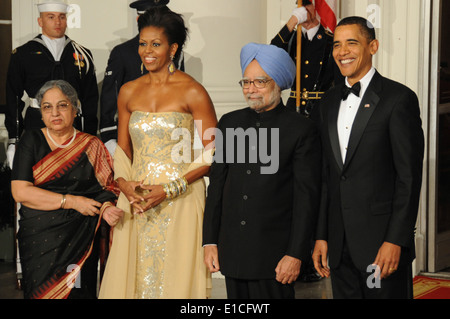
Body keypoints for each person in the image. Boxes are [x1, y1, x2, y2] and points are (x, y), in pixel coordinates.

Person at [99, 7, 217, 299]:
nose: (146, 51)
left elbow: (216, 151)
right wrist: (125, 186)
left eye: (156, 44)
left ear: (173, 48)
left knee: (174, 282)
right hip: (137, 200)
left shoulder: (193, 91)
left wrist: (170, 188)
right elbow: (124, 149)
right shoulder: (128, 91)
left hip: (181, 198)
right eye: (142, 43)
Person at [312, 17, 424, 299]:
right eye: (336, 44)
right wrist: (322, 235)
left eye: (352, 42)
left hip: (380, 248)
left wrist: (395, 240)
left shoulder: (398, 99)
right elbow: (327, 175)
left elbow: (408, 178)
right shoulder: (327, 102)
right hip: (339, 248)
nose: (342, 51)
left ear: (372, 46)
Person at [203, 43, 322, 299]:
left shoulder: (301, 129)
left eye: (259, 82)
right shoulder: (229, 123)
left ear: (277, 84)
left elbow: (306, 198)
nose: (250, 89)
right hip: (232, 252)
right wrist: (210, 241)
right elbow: (217, 187)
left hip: (276, 257)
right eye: (246, 82)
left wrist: (295, 253)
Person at [10, 80, 123, 299]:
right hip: (39, 239)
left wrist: (106, 208)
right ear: (41, 114)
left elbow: (107, 187)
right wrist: (72, 201)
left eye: (62, 105)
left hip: (79, 237)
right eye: (47, 107)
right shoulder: (30, 141)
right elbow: (20, 192)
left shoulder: (91, 145)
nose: (54, 113)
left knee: (78, 292)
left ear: (74, 109)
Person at [5, 0, 99, 169]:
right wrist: (14, 139)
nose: (57, 22)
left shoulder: (82, 54)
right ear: (40, 21)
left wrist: (89, 137)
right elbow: (13, 97)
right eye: (51, 17)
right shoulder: (23, 53)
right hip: (36, 125)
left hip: (73, 127)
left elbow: (90, 99)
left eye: (61, 17)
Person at [99, 0, 184, 156]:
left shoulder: (174, 51)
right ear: (139, 20)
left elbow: (180, 92)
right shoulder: (122, 53)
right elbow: (110, 100)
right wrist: (112, 144)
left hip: (168, 140)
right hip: (131, 140)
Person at [271, 0, 342, 118]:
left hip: (321, 109)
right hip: (294, 108)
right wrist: (292, 21)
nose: (302, 8)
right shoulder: (291, 39)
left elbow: (339, 81)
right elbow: (272, 52)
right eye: (299, 5)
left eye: (307, 4)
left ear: (316, 8)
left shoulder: (330, 41)